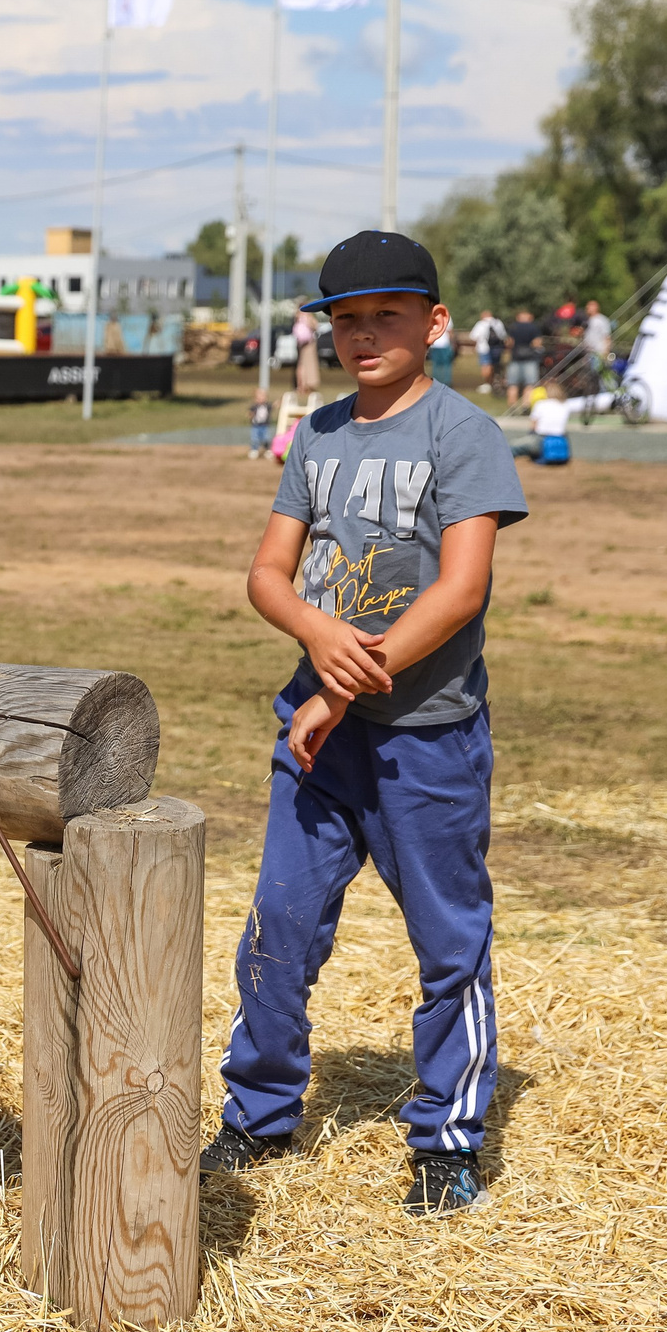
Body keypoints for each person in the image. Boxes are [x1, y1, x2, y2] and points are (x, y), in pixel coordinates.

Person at [201, 228, 528, 1217]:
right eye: (346, 319)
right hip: (319, 742)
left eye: (388, 314)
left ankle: (447, 1140)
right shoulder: (318, 434)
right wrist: (313, 631)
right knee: (279, 927)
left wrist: (341, 685)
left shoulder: (462, 435)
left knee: (449, 946)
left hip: (426, 740)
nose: (365, 335)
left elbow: (461, 591)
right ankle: (258, 1116)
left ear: (436, 323)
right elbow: (268, 572)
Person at [512, 386, 573, 466]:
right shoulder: (565, 405)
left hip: (541, 441)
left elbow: (533, 426)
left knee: (513, 446)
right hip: (561, 441)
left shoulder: (540, 404)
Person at [504, 309, 541, 407]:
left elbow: (509, 343)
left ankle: (512, 406)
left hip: (515, 358)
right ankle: (526, 405)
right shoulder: (534, 327)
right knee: (529, 384)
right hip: (530, 358)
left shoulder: (513, 327)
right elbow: (537, 343)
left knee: (512, 384)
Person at [470, 309, 504, 394]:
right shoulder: (498, 323)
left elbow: (473, 337)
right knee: (495, 366)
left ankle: (487, 384)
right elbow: (503, 336)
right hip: (496, 348)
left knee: (486, 366)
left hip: (483, 348)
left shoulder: (481, 324)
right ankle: (495, 383)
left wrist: (474, 347)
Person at [293, 304, 320, 395]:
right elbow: (315, 326)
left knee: (301, 365)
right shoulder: (308, 316)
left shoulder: (297, 316)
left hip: (300, 343)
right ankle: (306, 385)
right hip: (308, 343)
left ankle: (300, 385)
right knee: (308, 365)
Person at [426, 315, 456, 387]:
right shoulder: (446, 316)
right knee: (446, 364)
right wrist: (452, 343)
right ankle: (446, 382)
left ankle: (435, 382)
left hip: (434, 344)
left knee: (436, 365)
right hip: (444, 344)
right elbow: (450, 331)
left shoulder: (431, 316)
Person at [247, 386, 274, 459]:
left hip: (265, 425)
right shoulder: (254, 407)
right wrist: (250, 415)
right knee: (255, 438)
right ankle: (254, 450)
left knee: (266, 438)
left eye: (263, 396)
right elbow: (250, 413)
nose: (261, 399)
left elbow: (274, 405)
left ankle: (268, 450)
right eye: (259, 397)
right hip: (256, 426)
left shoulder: (267, 406)